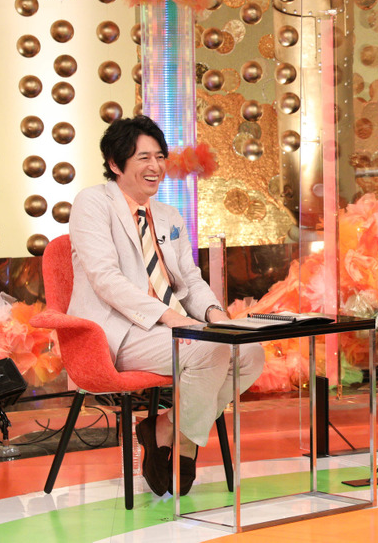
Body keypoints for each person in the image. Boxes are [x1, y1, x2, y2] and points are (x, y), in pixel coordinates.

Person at [68, 115, 264, 495]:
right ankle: (186, 447)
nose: (155, 167)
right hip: (120, 328)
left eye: (159, 157)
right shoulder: (92, 203)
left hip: (171, 325)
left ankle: (166, 427)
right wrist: (172, 318)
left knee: (250, 353)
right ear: (115, 163)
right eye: (144, 157)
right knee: (211, 351)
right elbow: (106, 279)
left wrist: (215, 315)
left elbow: (189, 279)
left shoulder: (168, 215)